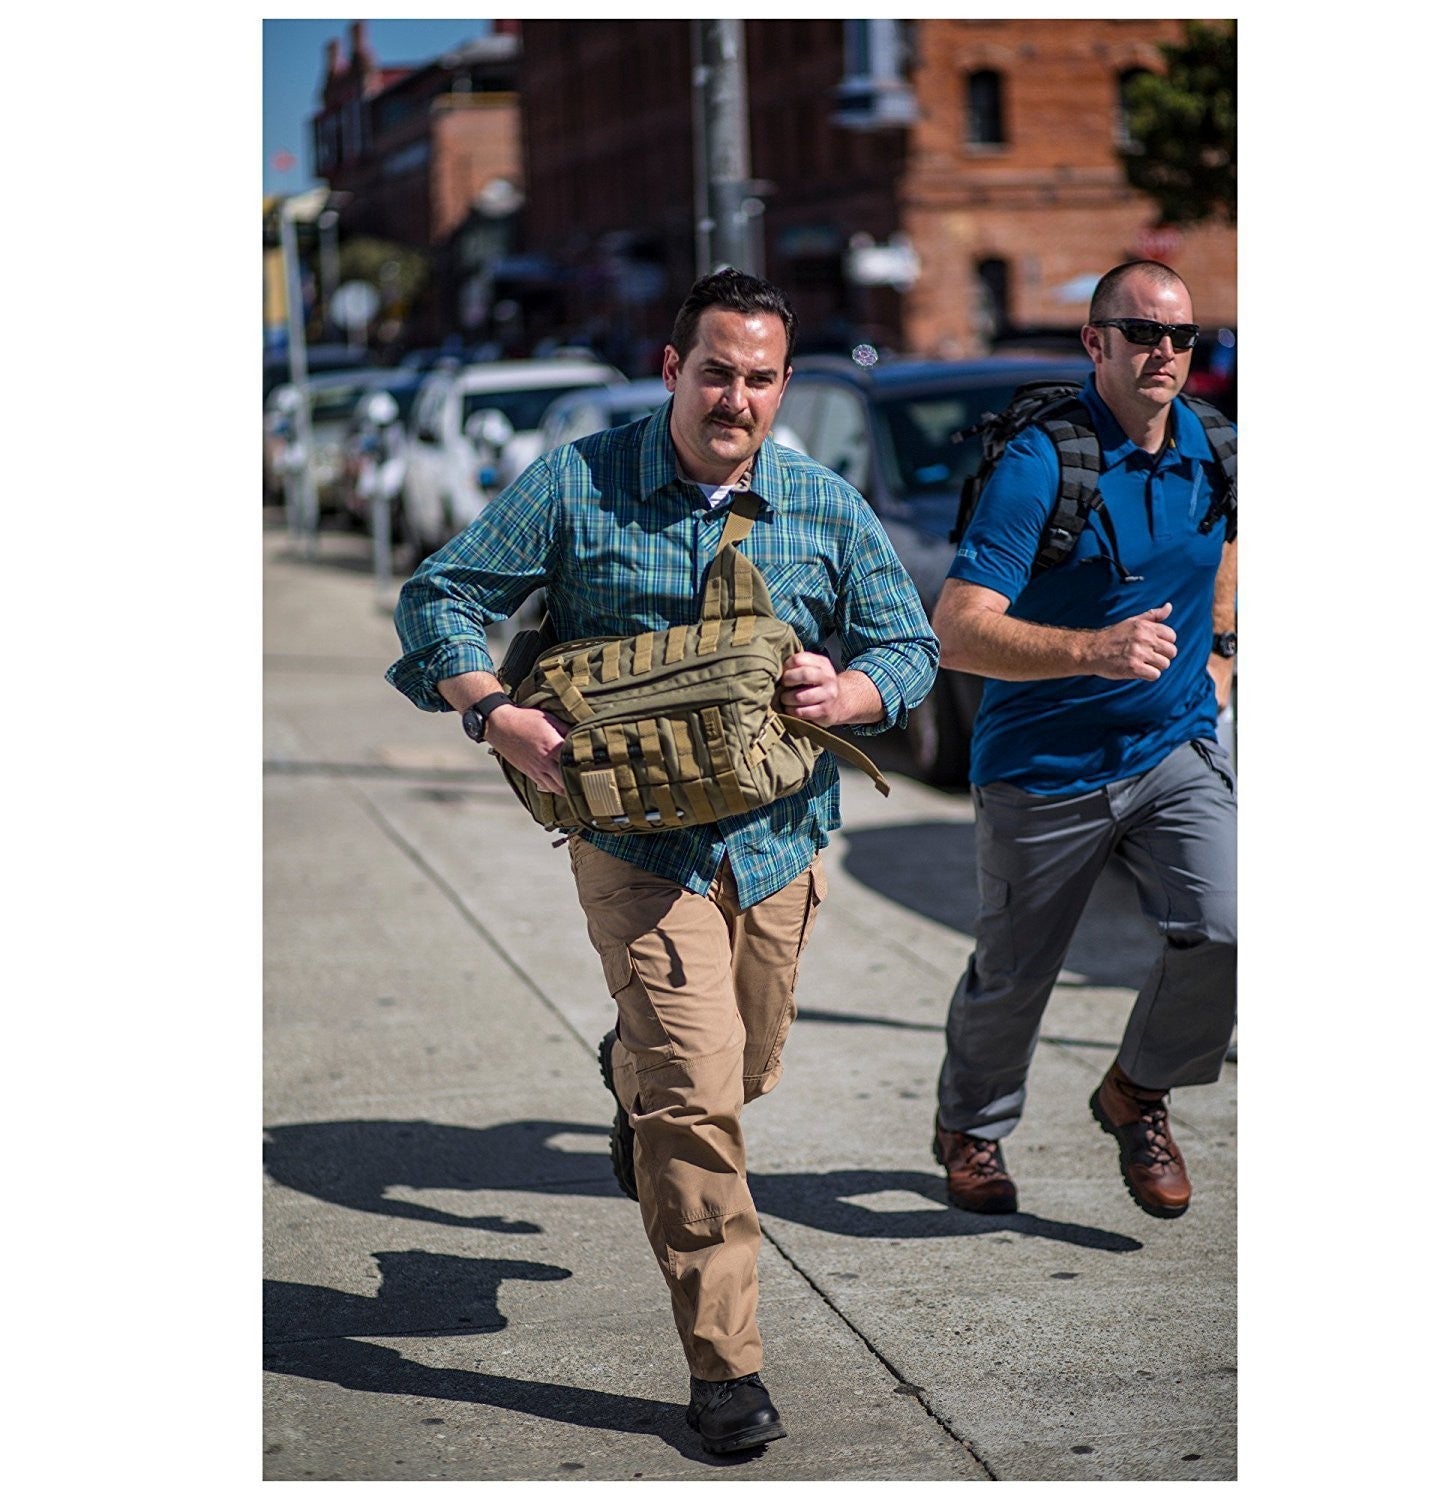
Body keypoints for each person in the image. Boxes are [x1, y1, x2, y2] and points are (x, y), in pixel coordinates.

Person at [386, 268, 938, 1454]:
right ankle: (725, 1367)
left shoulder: (820, 502)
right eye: (714, 372)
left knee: (739, 1074)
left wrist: (851, 686)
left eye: (759, 377)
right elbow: (440, 595)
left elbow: (909, 638)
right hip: (638, 846)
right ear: (671, 366)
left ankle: (629, 1077)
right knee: (697, 1101)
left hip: (778, 841)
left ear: (783, 385)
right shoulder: (579, 484)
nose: (733, 397)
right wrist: (497, 714)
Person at [930, 259, 1236, 1222]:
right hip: (1042, 769)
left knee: (1233, 927)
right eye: (1142, 332)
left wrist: (1220, 661)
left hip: (1172, 749)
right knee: (1016, 975)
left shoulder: (1217, 448)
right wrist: (1090, 649)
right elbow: (958, 626)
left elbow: (1229, 554)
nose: (1165, 352)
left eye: (1182, 335)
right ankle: (971, 1129)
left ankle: (1137, 1093)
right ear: (1094, 341)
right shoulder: (1042, 464)